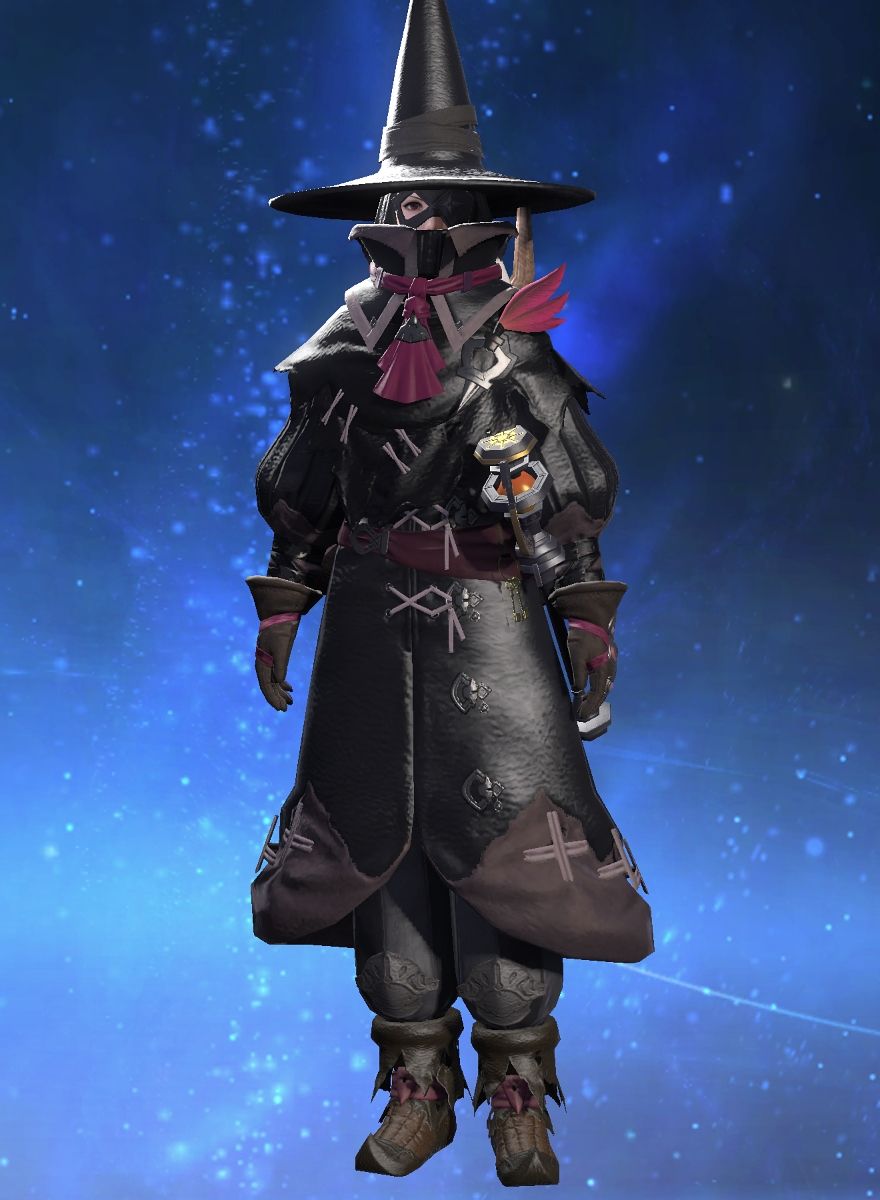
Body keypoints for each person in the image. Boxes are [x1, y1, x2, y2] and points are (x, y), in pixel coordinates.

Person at [246, 0, 654, 1186]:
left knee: (513, 854)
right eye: (403, 198)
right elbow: (305, 493)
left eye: (434, 198)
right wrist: (286, 600)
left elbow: (567, 503)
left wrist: (583, 622)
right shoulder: (340, 347)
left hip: (489, 632)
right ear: (380, 215)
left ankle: (518, 1095)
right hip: (370, 637)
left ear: (475, 213)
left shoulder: (515, 349)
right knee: (380, 857)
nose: (417, 214)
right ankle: (417, 1087)